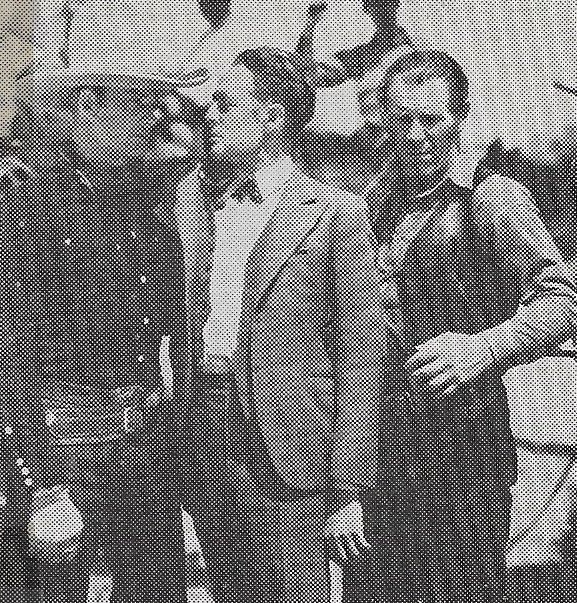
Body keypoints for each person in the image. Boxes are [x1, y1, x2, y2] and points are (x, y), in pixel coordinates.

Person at [362, 49, 577, 602]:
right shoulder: (370, 204)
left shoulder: (495, 200)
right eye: (401, 119)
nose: (414, 134)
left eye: (431, 119)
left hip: (470, 449)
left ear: (461, 121)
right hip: (385, 454)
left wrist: (478, 349)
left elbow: (563, 309)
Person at [0, 60, 206, 602]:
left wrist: (179, 483)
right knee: (47, 575)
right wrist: (39, 476)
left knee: (143, 573)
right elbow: (20, 355)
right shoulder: (37, 223)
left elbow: (174, 346)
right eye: (171, 132)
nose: (187, 149)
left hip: (136, 452)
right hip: (63, 449)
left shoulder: (155, 225)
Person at [173, 47, 384, 603]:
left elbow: (351, 354)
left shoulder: (330, 212)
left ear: (274, 116)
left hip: (299, 466)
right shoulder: (209, 215)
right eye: (209, 106)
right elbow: (189, 349)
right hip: (218, 461)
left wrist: (344, 491)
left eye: (225, 105)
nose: (208, 121)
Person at [295, 0, 412, 89]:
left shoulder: (415, 48)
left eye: (386, 3)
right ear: (367, 9)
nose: (382, 9)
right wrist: (311, 25)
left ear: (396, 4)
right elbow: (312, 76)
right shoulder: (361, 56)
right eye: (376, 4)